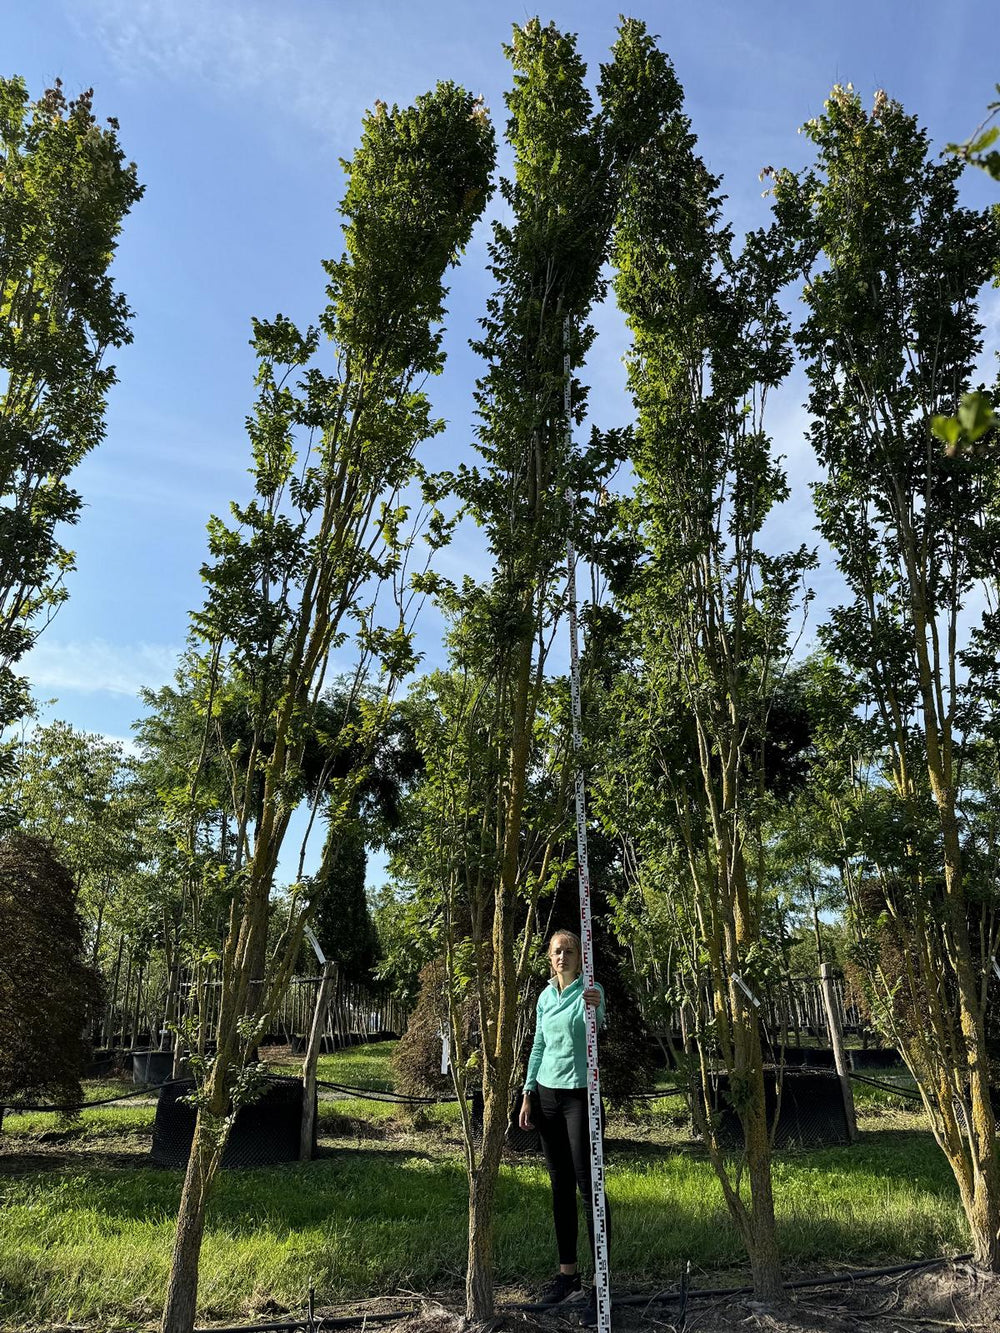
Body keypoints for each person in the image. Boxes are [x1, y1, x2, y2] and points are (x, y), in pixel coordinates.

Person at [519, 929, 609, 1324]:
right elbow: (538, 1044)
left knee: (589, 1186)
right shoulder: (543, 996)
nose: (563, 956)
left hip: (580, 1096)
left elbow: (598, 1025)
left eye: (570, 951)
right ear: (549, 957)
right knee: (560, 1187)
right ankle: (567, 1275)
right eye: (558, 951)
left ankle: (602, 1284)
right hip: (547, 1096)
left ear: (580, 956)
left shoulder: (591, 992)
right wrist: (527, 1092)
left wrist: (597, 1006)